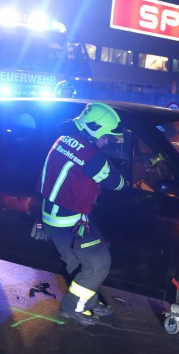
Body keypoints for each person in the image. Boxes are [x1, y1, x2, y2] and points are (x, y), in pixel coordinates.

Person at [40, 101, 126, 325]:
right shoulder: (93, 157)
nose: (107, 142)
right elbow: (116, 183)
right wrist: (132, 180)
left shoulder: (63, 140)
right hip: (71, 220)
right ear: (94, 129)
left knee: (77, 264)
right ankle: (72, 307)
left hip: (51, 216)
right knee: (99, 263)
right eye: (107, 136)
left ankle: (87, 300)